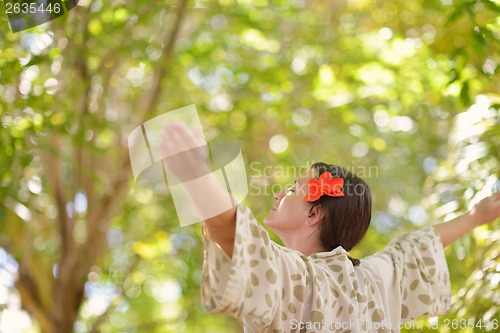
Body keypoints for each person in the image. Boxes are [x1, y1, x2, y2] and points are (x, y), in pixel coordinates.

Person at [159, 123, 500, 333]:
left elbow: (232, 232)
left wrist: (194, 171)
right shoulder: (373, 279)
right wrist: (474, 217)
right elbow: (415, 248)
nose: (279, 192)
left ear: (315, 214)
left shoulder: (297, 277)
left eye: (292, 189)